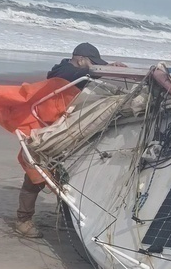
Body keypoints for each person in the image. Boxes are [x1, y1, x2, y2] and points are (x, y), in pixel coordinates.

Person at [14, 43, 127, 238]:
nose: (92, 67)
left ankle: (67, 217)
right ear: (81, 59)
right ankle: (23, 220)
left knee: (65, 175)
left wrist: (110, 67)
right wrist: (99, 70)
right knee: (36, 177)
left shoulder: (81, 73)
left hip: (65, 132)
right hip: (44, 134)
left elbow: (90, 75)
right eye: (91, 63)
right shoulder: (63, 71)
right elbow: (72, 76)